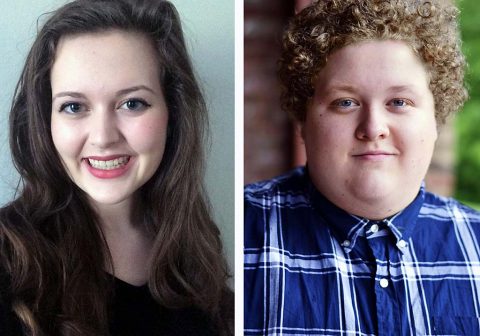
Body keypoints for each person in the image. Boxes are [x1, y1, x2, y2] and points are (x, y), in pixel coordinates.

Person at [244, 0, 480, 335]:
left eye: (399, 102)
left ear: (436, 118)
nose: (373, 127)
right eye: (345, 103)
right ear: (303, 120)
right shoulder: (239, 237)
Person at [0, 0, 233, 335]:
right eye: (74, 106)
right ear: (44, 120)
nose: (103, 137)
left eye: (132, 103)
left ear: (172, 113)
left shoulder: (197, 247)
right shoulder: (9, 259)